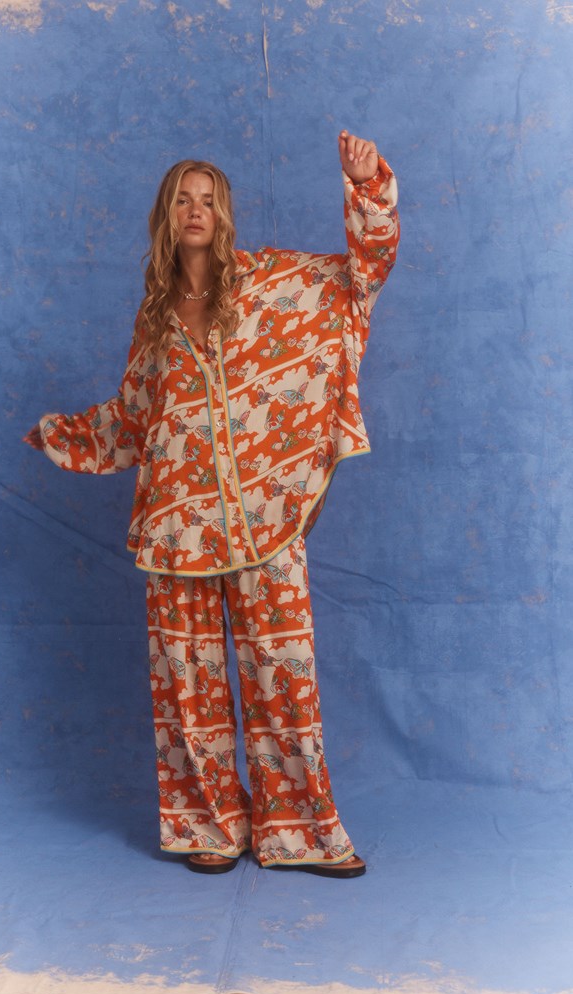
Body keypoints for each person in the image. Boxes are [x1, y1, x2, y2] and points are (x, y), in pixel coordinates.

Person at [24, 131, 399, 877]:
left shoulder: (268, 282)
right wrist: (64, 436)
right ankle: (210, 827)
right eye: (182, 200)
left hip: (266, 517)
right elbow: (134, 415)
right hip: (176, 523)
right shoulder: (155, 315)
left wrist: (367, 188)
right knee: (186, 689)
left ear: (225, 215)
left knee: (281, 674)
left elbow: (365, 272)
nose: (195, 210)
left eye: (208, 200)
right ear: (166, 216)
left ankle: (297, 833)